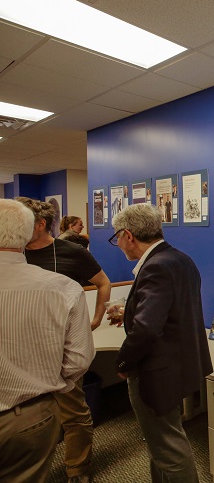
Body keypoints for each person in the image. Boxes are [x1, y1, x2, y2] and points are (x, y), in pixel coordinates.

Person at [108, 204, 213, 482]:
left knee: (167, 447)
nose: (117, 243)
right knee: (162, 441)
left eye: (116, 237)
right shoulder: (179, 259)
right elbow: (171, 311)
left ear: (128, 235)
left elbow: (146, 329)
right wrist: (128, 312)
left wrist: (123, 361)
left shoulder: (155, 267)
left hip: (156, 371)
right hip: (178, 364)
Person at [16, 197, 111, 483]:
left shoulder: (72, 252)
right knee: (25, 417)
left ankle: (78, 471)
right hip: (24, 347)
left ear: (40, 225)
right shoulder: (11, 254)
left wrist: (95, 319)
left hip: (62, 347)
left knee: (74, 412)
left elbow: (103, 283)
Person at [0, 199, 94, 482]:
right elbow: (78, 361)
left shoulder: (71, 254)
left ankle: (78, 471)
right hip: (29, 416)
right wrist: (53, 385)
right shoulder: (63, 288)